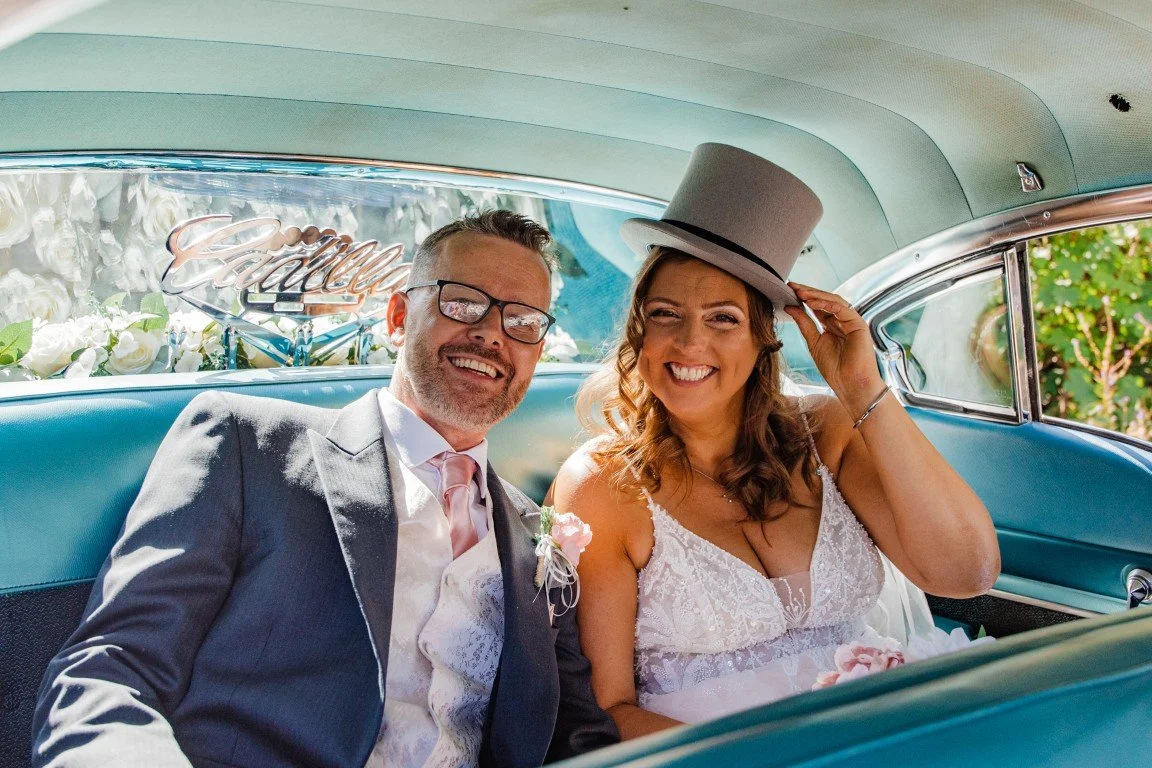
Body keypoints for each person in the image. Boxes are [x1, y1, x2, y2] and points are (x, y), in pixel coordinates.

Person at [32, 210, 619, 767]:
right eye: (462, 303)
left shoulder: (536, 532)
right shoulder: (246, 444)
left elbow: (579, 734)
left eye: (522, 321)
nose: (493, 333)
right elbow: (107, 672)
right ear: (397, 318)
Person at [551, 144, 1001, 736]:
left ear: (765, 337)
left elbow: (966, 573)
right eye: (665, 313)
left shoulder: (830, 433)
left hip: (875, 736)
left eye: (723, 318)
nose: (689, 343)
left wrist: (862, 391)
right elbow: (608, 711)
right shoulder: (603, 488)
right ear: (640, 329)